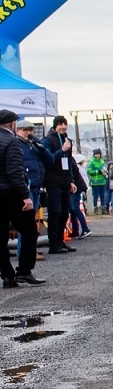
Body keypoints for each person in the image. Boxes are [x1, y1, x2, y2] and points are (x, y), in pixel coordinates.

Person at [0, 110, 42, 287]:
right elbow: (15, 172)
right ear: (12, 124)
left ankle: (7, 275)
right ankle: (24, 271)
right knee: (30, 231)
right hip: (11, 193)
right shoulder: (12, 142)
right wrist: (25, 196)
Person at [42, 135, 80, 254]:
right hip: (53, 182)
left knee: (65, 213)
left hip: (65, 182)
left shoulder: (66, 139)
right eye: (60, 124)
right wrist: (61, 150)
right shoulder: (48, 140)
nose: (63, 127)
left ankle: (60, 240)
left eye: (65, 124)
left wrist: (71, 180)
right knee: (55, 212)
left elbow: (68, 163)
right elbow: (49, 159)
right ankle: (53, 243)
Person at [64, 140, 90, 239]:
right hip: (75, 185)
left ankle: (85, 229)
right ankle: (75, 231)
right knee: (72, 208)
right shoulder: (69, 157)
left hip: (76, 186)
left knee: (74, 207)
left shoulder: (69, 159)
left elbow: (72, 173)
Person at [86, 148, 109, 215]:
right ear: (94, 155)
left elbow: (105, 168)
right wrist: (98, 171)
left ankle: (103, 208)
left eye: (98, 154)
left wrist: (105, 172)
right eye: (96, 154)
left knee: (103, 195)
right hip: (95, 182)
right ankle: (95, 208)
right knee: (95, 195)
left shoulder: (102, 161)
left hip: (103, 181)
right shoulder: (91, 162)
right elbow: (89, 171)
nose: (97, 155)